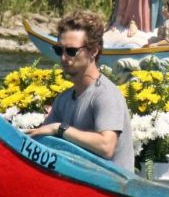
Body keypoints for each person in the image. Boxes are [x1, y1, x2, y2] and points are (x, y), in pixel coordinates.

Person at [26, 10, 134, 171]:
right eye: (59, 50)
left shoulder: (106, 95)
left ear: (94, 51)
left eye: (71, 51)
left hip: (111, 189)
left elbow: (107, 146)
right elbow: (42, 141)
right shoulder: (63, 99)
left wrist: (60, 129)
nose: (63, 57)